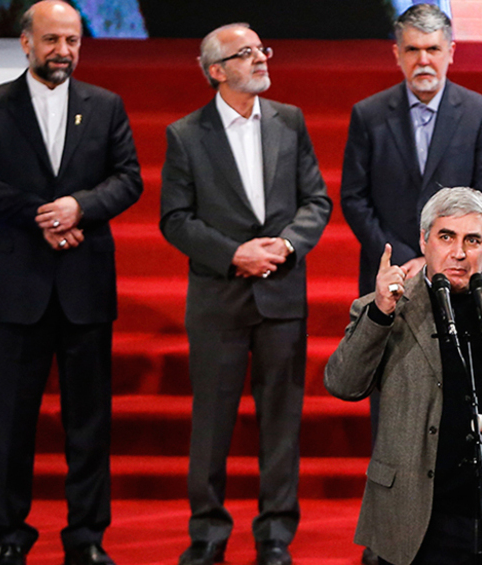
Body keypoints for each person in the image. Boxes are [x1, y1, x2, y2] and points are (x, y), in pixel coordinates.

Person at [325, 187, 482, 565]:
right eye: (446, 237)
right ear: (424, 241)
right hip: (415, 518)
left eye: (472, 240)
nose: (458, 252)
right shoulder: (387, 305)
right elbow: (343, 384)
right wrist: (380, 313)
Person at [159, 23, 331, 565]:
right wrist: (235, 254)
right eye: (246, 53)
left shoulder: (289, 120)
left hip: (282, 295)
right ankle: (208, 532)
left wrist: (286, 244)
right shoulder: (185, 134)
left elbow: (317, 200)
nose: (261, 59)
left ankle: (275, 532)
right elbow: (175, 219)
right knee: (212, 422)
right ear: (216, 70)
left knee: (282, 421)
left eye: (262, 50)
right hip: (220, 298)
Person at [341, 7, 482, 562]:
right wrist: (409, 259)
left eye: (433, 49)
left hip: (460, 283)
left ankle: (453, 522)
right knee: (391, 411)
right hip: (393, 280)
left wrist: (442, 256)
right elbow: (354, 196)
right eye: (412, 50)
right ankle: (390, 534)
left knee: (453, 400)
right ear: (397, 54)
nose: (424, 60)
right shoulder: (369, 114)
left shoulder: (480, 113)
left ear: (451, 52)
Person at [0, 1, 142, 564]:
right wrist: (43, 216)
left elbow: (128, 179)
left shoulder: (106, 105)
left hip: (85, 287)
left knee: (88, 424)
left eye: (73, 40)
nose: (64, 51)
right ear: (26, 42)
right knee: (12, 424)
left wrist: (79, 207)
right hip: (15, 289)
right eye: (52, 40)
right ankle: (9, 536)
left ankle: (86, 538)